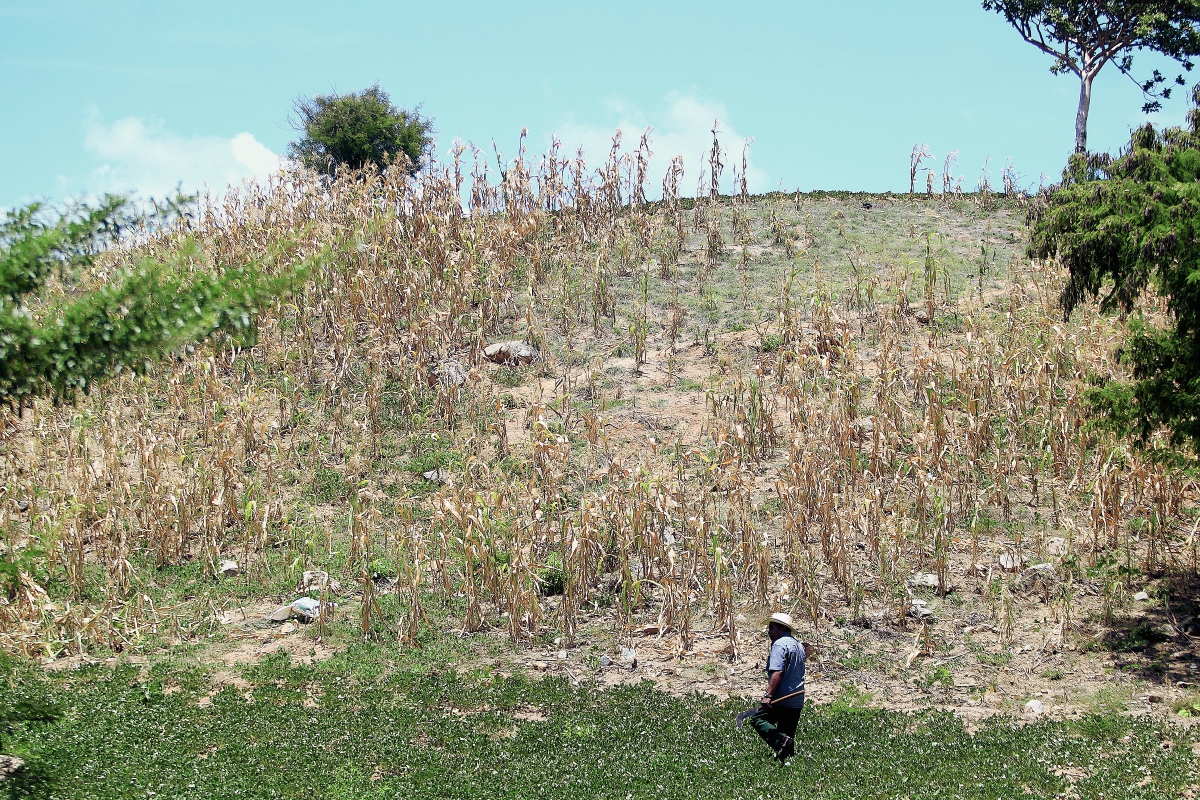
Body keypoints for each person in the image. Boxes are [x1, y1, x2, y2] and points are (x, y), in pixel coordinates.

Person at [746, 612, 806, 763]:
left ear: (781, 628)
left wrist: (768, 695)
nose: (769, 632)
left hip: (782, 697)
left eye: (772, 628)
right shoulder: (798, 645)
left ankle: (780, 741)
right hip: (797, 698)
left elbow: (778, 672)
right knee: (788, 738)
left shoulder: (779, 645)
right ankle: (788, 765)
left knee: (757, 720)